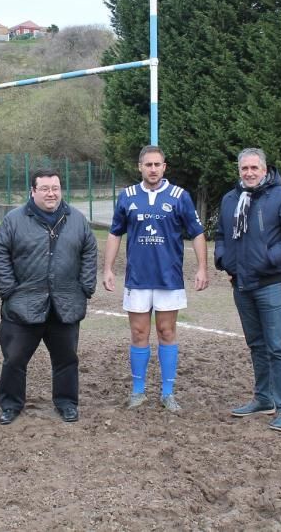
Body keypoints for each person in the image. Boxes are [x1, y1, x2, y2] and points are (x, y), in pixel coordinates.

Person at [103, 145, 209, 412]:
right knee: (139, 333)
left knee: (167, 332)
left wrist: (202, 268)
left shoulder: (179, 196)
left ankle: (168, 392)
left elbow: (196, 233)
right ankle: (138, 391)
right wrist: (107, 269)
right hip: (137, 279)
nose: (153, 169)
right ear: (140, 167)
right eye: (148, 165)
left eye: (157, 165)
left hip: (168, 279)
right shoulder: (127, 196)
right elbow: (115, 233)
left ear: (165, 167)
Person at [0, 169, 98, 425]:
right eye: (45, 189)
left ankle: (66, 402)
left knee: (66, 359)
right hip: (22, 305)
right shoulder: (14, 220)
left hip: (65, 304)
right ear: (33, 191)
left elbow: (90, 252)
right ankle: (11, 404)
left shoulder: (77, 219)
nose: (51, 193)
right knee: (14, 359)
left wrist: (84, 288)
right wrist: (9, 291)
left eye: (56, 188)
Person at [214, 147, 281, 432]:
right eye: (245, 168)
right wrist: (222, 258)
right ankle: (264, 398)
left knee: (278, 347)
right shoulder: (231, 199)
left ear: (265, 170)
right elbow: (220, 234)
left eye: (255, 168)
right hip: (241, 284)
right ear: (239, 170)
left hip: (271, 285)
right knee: (256, 344)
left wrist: (269, 258)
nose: (250, 173)